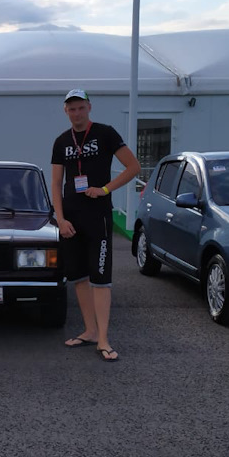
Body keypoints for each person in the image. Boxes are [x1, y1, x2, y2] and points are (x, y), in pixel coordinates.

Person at [51, 88, 141, 362]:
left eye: (81, 107)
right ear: (65, 111)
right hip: (71, 220)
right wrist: (60, 219)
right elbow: (56, 183)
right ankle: (90, 331)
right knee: (78, 277)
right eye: (71, 109)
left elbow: (133, 167)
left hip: (98, 217)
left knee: (100, 279)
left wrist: (104, 189)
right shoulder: (61, 141)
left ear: (89, 107)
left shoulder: (105, 133)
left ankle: (103, 338)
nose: (76, 113)